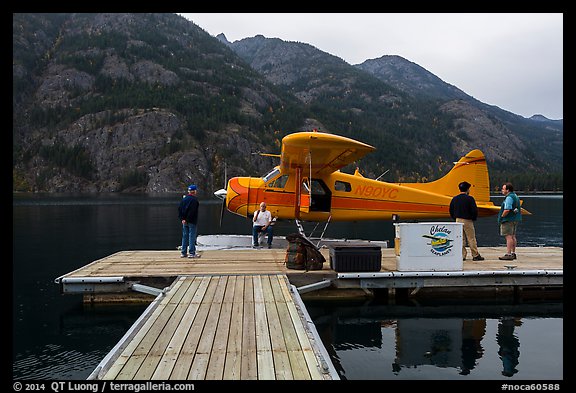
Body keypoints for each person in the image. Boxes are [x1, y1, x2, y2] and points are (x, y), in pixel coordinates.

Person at [449, 181, 484, 261]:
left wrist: (455, 218)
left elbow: (451, 210)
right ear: (467, 189)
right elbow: (474, 210)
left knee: (461, 238)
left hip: (458, 220)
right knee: (471, 238)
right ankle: (475, 255)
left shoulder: (455, 199)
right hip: (467, 220)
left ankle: (462, 255)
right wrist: (473, 218)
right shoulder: (470, 199)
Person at [497, 182, 522, 260]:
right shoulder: (515, 196)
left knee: (508, 237)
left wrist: (501, 217)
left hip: (508, 219)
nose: (502, 190)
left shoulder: (509, 198)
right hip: (515, 219)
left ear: (507, 190)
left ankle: (508, 254)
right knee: (513, 236)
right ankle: (513, 253)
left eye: (503, 189)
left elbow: (507, 209)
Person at [178, 184, 200, 258]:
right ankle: (191, 253)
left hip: (184, 221)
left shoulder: (184, 199)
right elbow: (192, 212)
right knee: (192, 236)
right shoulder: (194, 200)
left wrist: (182, 219)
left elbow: (180, 209)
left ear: (189, 191)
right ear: (194, 191)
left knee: (185, 236)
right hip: (192, 221)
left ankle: (183, 252)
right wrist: (187, 219)